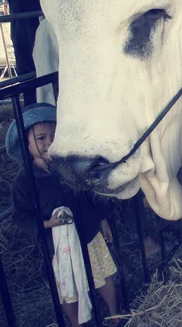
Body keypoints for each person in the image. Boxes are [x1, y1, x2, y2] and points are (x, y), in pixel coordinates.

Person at [7, 103, 120, 326]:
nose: (49, 142)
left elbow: (90, 192)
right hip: (59, 247)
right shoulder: (23, 182)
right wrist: (47, 223)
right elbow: (21, 216)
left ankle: (115, 313)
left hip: (88, 232)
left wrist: (103, 218)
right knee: (68, 289)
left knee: (103, 274)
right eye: (40, 138)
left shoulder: (70, 164)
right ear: (25, 143)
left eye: (54, 135)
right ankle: (77, 323)